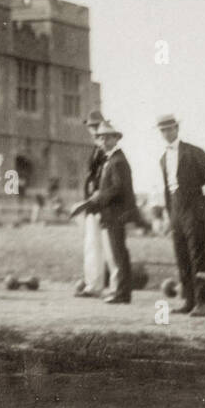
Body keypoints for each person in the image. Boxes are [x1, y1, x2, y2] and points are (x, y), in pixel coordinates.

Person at [157, 114, 205, 317]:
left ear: (177, 128)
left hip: (196, 210)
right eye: (163, 130)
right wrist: (170, 215)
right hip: (176, 211)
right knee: (182, 255)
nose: (167, 133)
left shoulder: (194, 152)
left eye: (170, 129)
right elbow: (168, 190)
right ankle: (188, 300)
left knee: (198, 257)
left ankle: (202, 302)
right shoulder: (163, 158)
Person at [82, 120, 137, 305]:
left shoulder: (118, 161)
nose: (104, 141)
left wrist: (98, 197)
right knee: (114, 254)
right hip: (109, 213)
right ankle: (118, 290)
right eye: (101, 138)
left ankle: (121, 292)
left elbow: (118, 188)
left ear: (116, 139)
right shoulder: (110, 160)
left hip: (115, 213)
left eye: (108, 138)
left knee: (117, 254)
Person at [77, 109, 114, 298]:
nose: (92, 130)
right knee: (92, 244)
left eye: (96, 126)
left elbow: (103, 178)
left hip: (99, 202)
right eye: (91, 127)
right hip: (93, 202)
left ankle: (96, 284)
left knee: (98, 244)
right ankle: (93, 282)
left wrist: (96, 197)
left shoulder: (103, 150)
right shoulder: (96, 148)